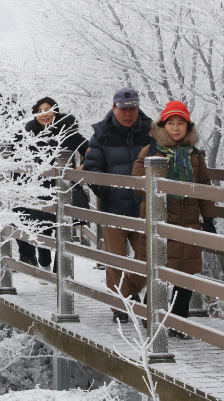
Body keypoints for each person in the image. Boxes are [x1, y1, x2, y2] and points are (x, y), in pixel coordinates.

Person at [132, 100, 216, 338]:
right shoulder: (151, 151)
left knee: (186, 272)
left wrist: (209, 219)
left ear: (187, 127)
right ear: (163, 125)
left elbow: (204, 186)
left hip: (189, 221)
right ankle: (152, 316)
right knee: (158, 268)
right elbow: (138, 185)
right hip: (161, 220)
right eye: (171, 123)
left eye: (181, 123)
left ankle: (179, 323)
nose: (176, 128)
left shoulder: (195, 154)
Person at [82, 88, 152, 323]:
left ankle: (130, 294)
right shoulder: (101, 135)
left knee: (148, 256)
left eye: (132, 109)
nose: (128, 114)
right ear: (114, 108)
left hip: (144, 209)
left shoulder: (151, 133)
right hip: (114, 209)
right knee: (115, 259)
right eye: (123, 109)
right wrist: (109, 192)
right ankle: (120, 306)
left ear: (138, 108)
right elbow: (91, 170)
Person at [21, 97, 89, 270]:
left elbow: (91, 150)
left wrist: (81, 168)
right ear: (36, 115)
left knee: (64, 228)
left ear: (55, 111)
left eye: (48, 109)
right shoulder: (30, 136)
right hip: (39, 188)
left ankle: (61, 270)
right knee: (42, 228)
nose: (45, 114)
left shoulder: (68, 132)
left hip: (64, 187)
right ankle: (44, 263)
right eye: (40, 111)